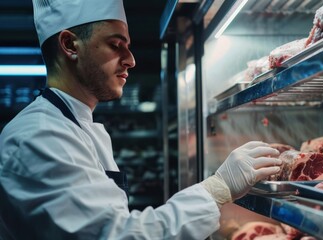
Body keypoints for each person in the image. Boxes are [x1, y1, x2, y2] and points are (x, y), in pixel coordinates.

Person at [0, 0, 282, 239]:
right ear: (70, 44)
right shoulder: (38, 137)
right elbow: (116, 234)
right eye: (116, 45)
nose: (131, 60)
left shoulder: (78, 127)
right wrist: (216, 189)